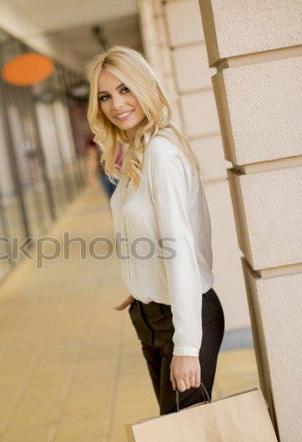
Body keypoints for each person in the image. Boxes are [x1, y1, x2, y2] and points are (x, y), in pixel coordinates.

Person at [88, 46, 225, 415]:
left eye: (125, 89)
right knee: (175, 436)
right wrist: (142, 284)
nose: (116, 105)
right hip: (152, 316)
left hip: (184, 318)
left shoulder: (162, 154)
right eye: (105, 96)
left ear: (145, 87)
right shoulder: (138, 152)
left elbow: (180, 251)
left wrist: (187, 347)